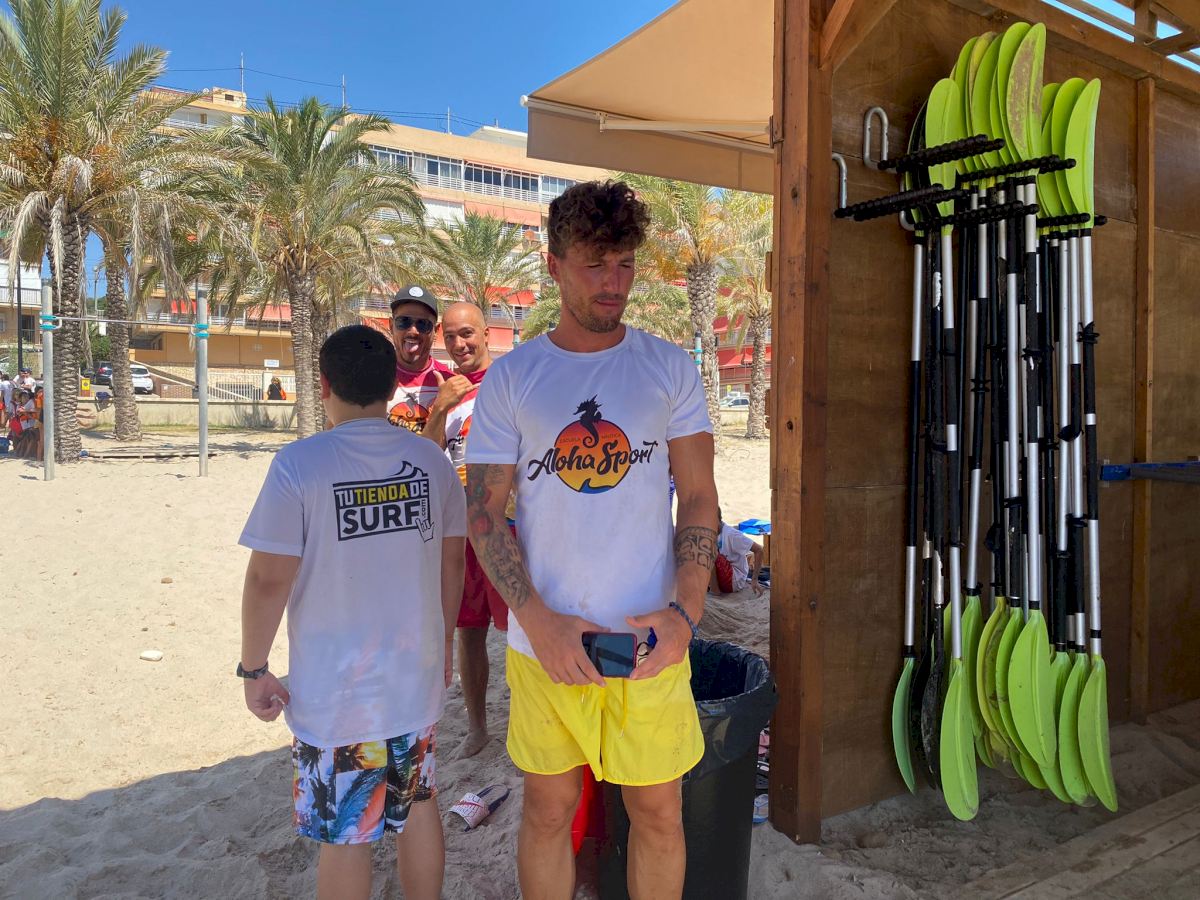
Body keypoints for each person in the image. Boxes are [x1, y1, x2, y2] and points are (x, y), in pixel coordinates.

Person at [465, 180, 719, 900]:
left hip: (649, 640)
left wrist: (686, 615)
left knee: (659, 814)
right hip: (547, 643)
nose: (614, 283)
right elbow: (483, 514)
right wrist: (537, 622)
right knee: (549, 811)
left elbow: (699, 497)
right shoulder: (514, 379)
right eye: (594, 264)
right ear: (554, 266)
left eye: (626, 264)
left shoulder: (668, 368)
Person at [237, 324, 466, 900]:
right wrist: (442, 644)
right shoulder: (431, 461)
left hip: (336, 692)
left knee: (346, 833)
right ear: (392, 387)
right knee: (419, 804)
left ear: (323, 384)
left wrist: (253, 668)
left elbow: (267, 579)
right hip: (412, 678)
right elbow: (452, 563)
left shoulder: (300, 465)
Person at [422, 301, 508, 760]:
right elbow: (425, 456)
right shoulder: (444, 390)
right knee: (469, 630)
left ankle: (533, 724)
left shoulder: (509, 380)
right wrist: (440, 407)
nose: (459, 344)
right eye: (451, 336)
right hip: (461, 526)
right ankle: (478, 728)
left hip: (508, 525)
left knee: (522, 630)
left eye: (468, 333)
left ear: (486, 333)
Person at [386, 285, 454, 434]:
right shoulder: (372, 376)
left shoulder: (450, 383)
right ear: (391, 325)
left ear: (435, 331)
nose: (413, 331)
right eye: (404, 321)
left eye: (423, 324)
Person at [710, 508, 765, 596]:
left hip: (734, 579)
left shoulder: (731, 534)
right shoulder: (710, 532)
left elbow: (759, 550)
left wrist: (754, 580)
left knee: (708, 552)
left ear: (718, 518)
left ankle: (714, 591)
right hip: (721, 575)